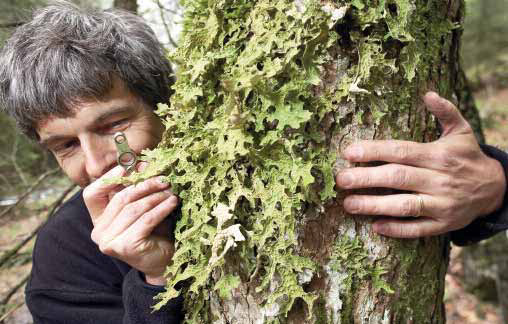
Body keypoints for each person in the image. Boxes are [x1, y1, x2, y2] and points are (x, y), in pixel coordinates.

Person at [0, 2, 506, 324]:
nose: (95, 164)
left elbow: (437, 200)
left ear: (168, 105)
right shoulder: (63, 258)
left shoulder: (251, 163)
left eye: (113, 125)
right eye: (65, 145)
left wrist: (496, 183)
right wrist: (156, 280)